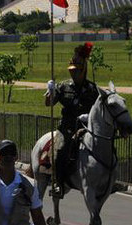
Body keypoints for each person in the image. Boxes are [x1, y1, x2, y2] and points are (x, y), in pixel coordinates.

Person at [44, 43, 98, 198]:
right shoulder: (64, 86)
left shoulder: (92, 89)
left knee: (105, 144)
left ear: (83, 70)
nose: (73, 75)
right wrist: (50, 91)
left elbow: (99, 108)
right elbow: (49, 104)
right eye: (71, 72)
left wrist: (90, 117)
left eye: (76, 72)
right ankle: (58, 184)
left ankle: (109, 177)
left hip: (87, 128)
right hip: (66, 128)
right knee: (59, 150)